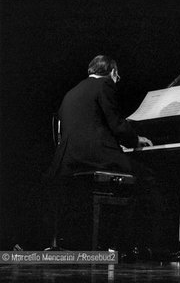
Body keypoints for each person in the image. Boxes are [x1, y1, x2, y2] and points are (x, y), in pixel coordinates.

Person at [46, 55, 155, 251]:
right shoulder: (105, 85)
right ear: (112, 72)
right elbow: (116, 124)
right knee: (147, 177)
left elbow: (88, 125)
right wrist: (135, 140)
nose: (116, 80)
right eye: (117, 75)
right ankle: (134, 245)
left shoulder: (72, 92)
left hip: (67, 160)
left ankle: (106, 241)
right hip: (95, 157)